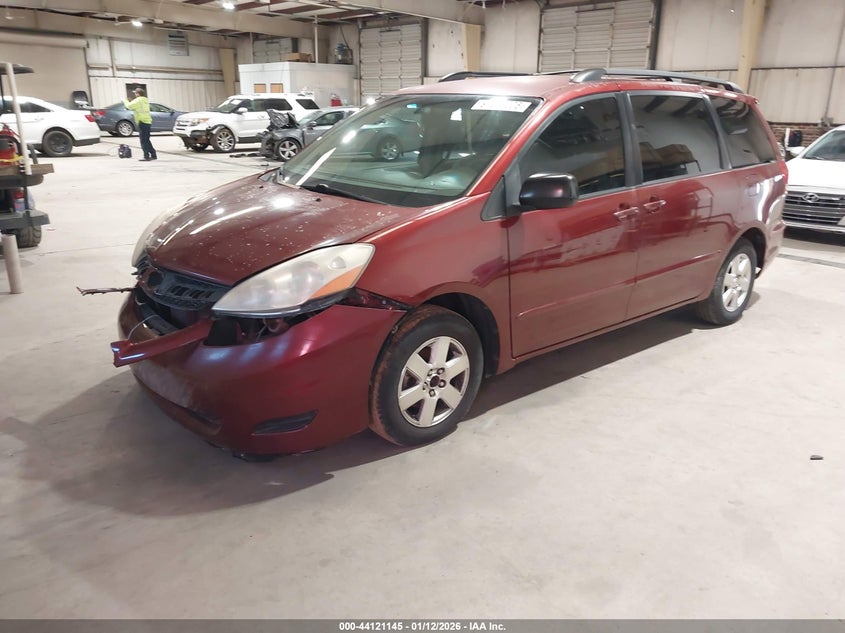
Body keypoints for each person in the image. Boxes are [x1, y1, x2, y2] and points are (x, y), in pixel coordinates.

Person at [123, 88, 157, 161]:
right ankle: (153, 155)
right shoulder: (145, 100)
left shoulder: (138, 100)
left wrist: (125, 101)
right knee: (146, 140)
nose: (135, 94)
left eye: (135, 93)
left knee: (143, 141)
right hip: (147, 121)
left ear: (138, 94)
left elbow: (128, 106)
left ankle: (146, 156)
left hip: (142, 122)